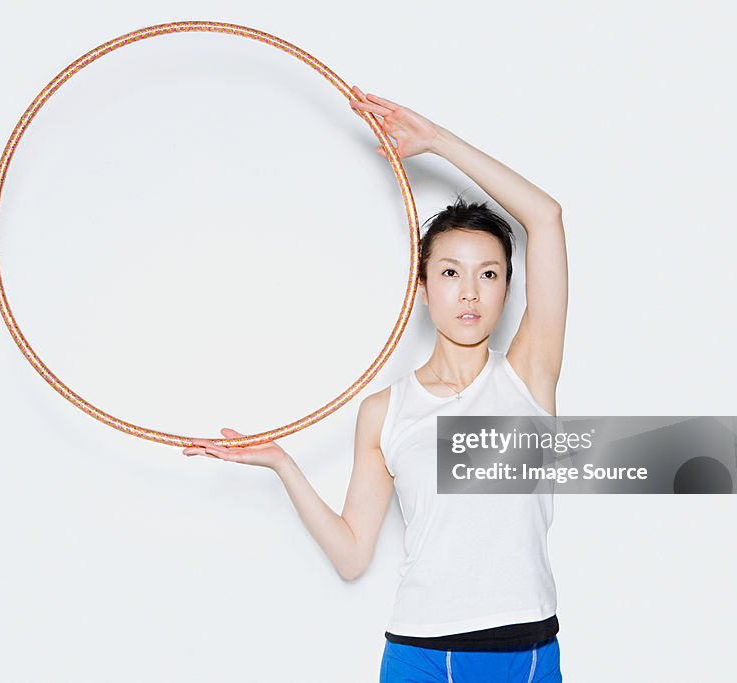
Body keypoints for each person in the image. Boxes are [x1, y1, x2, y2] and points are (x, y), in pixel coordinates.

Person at [183, 85, 568, 683]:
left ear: (506, 289)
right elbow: (351, 554)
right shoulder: (386, 411)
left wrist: (436, 140)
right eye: (449, 272)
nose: (469, 291)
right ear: (422, 288)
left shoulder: (528, 377)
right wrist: (284, 465)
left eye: (488, 274)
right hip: (417, 655)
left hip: (529, 655)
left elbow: (545, 217)